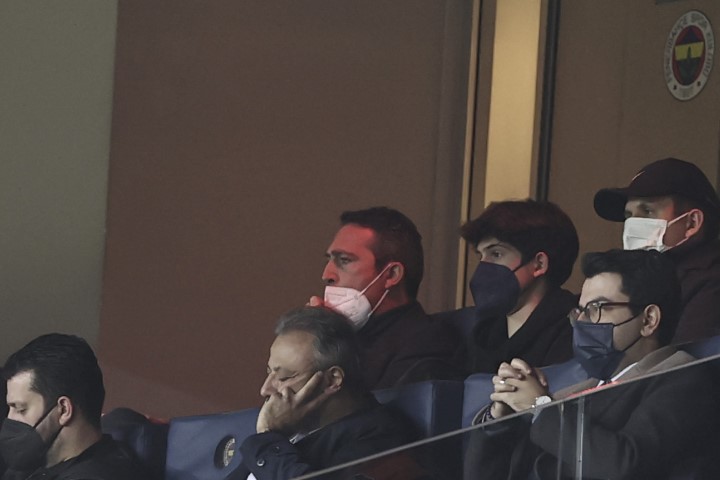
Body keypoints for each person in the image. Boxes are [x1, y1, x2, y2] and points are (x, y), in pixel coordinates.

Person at [465, 249, 720, 480]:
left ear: (648, 320)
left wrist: (540, 406)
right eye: (580, 311)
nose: (582, 322)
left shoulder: (683, 380)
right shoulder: (575, 389)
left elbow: (623, 465)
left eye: (597, 308)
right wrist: (500, 419)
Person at [233, 307, 421, 480]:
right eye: (269, 373)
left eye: (284, 377)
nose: (265, 389)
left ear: (332, 380)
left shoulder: (380, 439)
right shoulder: (291, 429)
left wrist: (268, 439)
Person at [309, 206, 464, 389]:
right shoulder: (349, 337)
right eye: (329, 260)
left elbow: (369, 407)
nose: (327, 275)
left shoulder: (428, 345)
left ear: (391, 275)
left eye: (344, 260)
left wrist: (328, 349)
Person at [594, 157, 720, 343]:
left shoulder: (711, 283)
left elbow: (686, 357)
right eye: (629, 215)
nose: (632, 224)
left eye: (647, 211)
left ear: (692, 222)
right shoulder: (639, 275)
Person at [0, 333, 151, 480]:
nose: (10, 419)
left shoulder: (99, 474)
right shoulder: (34, 465)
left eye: (20, 409)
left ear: (64, 410)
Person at [459, 199, 579, 374]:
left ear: (539, 264)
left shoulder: (573, 333)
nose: (483, 267)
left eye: (496, 254)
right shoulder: (482, 335)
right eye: (480, 256)